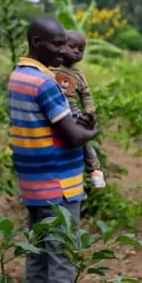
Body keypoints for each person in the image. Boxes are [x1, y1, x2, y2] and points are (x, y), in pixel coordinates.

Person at [8, 16, 101, 283]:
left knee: (37, 259)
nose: (64, 51)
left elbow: (50, 125)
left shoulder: (18, 77)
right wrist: (91, 132)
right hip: (59, 188)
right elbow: (74, 136)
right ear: (35, 42)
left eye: (65, 43)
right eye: (56, 44)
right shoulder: (45, 83)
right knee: (62, 264)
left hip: (33, 186)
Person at [52, 30, 106, 189]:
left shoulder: (79, 75)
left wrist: (89, 109)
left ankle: (94, 169)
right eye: (72, 47)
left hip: (72, 112)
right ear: (61, 46)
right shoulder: (51, 67)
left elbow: (86, 95)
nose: (76, 51)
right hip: (52, 110)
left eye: (81, 49)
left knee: (85, 142)